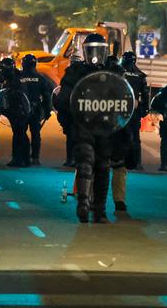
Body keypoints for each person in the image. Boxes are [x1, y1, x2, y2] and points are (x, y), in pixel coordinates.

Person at [55, 33, 129, 223]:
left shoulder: (114, 71)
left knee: (102, 166)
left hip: (105, 127)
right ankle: (86, 205)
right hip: (83, 125)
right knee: (87, 163)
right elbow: (64, 101)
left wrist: (120, 130)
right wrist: (68, 124)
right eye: (91, 49)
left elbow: (125, 100)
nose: (95, 55)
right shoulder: (76, 71)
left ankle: (98, 210)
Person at [112, 50, 150, 211]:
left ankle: (94, 200)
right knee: (133, 143)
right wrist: (141, 111)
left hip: (112, 121)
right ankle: (136, 162)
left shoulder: (111, 78)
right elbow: (145, 96)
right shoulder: (140, 75)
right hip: (131, 117)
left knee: (103, 163)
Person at [19, 54, 54, 166]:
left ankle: (23, 157)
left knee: (21, 133)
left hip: (22, 111)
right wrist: (48, 110)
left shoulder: (19, 77)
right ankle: (35, 158)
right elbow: (47, 95)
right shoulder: (40, 78)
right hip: (36, 110)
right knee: (35, 135)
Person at [0, 57, 32, 167]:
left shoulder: (14, 79)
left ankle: (18, 159)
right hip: (22, 109)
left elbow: (13, 94)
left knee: (19, 134)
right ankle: (26, 159)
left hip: (18, 110)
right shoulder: (19, 76)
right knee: (21, 134)